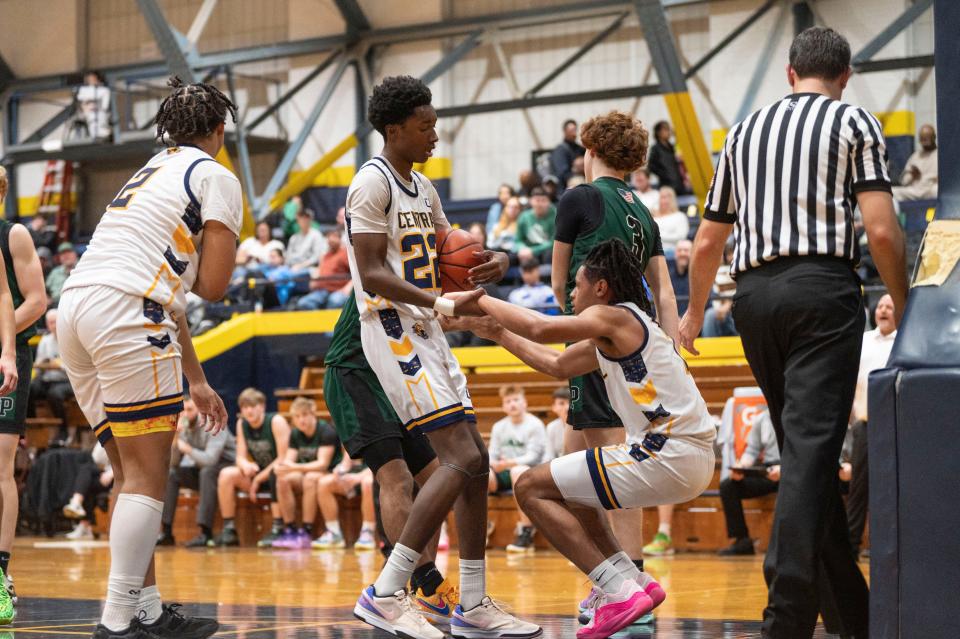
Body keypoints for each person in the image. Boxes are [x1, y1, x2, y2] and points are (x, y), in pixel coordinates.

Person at [679, 28, 908, 639]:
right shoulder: (854, 122)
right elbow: (882, 233)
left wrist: (695, 312)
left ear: (789, 73)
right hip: (820, 292)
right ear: (846, 74)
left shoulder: (743, 132)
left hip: (751, 301)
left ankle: (852, 619)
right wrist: (905, 304)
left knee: (804, 455)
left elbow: (707, 241)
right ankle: (784, 617)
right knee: (809, 454)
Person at [346, 75, 538, 638]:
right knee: (459, 455)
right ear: (394, 128)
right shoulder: (370, 184)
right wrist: (438, 297)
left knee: (475, 461)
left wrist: (492, 260)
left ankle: (473, 604)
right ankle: (386, 591)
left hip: (428, 328)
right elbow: (372, 271)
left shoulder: (423, 189)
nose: (435, 134)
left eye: (435, 123)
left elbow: (452, 249)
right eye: (425, 125)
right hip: (392, 329)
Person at [451, 238, 716, 639]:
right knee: (570, 488)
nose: (572, 294)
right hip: (683, 454)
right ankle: (635, 583)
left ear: (601, 288)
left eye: (577, 286)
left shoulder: (616, 319)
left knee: (529, 488)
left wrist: (480, 300)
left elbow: (541, 328)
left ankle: (614, 590)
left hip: (668, 451)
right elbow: (557, 364)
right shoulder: (623, 330)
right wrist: (497, 333)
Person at [57, 76, 241, 639]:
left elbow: (164, 291)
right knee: (146, 476)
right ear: (218, 130)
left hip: (76, 309)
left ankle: (148, 609)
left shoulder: (149, 170)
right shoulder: (215, 175)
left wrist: (197, 379)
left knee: (127, 471)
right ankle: (116, 621)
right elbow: (210, 286)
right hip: (129, 313)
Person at [551, 110, 679, 626]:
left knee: (612, 472)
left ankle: (631, 585)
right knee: (567, 469)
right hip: (637, 343)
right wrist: (668, 348)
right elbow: (666, 293)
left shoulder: (580, 198)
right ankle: (612, 578)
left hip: (599, 341)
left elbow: (562, 283)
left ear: (590, 151)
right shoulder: (643, 211)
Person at [0, 164, 39, 624]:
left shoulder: (14, 236)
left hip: (9, 359)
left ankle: (2, 570)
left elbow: (34, 300)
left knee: (1, 463)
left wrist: (4, 343)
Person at [847, 293, 897, 556]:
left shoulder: (903, 343)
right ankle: (852, 545)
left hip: (895, 427)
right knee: (858, 488)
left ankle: (885, 546)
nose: (884, 310)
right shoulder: (862, 342)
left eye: (890, 306)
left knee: (890, 489)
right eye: (880, 306)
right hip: (864, 426)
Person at [214, 388, 291, 548]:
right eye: (244, 407)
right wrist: (245, 464)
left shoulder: (276, 421)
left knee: (277, 473)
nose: (248, 410)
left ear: (262, 407)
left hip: (278, 474)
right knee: (226, 474)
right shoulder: (242, 423)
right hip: (258, 475)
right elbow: (240, 456)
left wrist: (258, 478)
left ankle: (278, 527)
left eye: (252, 406)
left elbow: (283, 458)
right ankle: (229, 529)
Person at [158, 396, 236, 549]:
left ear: (200, 410)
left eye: (189, 410)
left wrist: (187, 449)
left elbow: (210, 460)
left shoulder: (214, 423)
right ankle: (166, 532)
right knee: (172, 474)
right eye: (182, 411)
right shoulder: (185, 428)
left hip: (227, 466)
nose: (185, 414)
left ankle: (205, 533)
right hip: (204, 470)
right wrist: (175, 438)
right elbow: (173, 463)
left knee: (207, 472)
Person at [272, 397, 341, 549]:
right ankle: (289, 528)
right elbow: (289, 462)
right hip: (305, 471)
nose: (301, 420)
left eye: (304, 415)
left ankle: (306, 530)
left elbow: (322, 465)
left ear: (312, 414)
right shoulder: (295, 434)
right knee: (282, 479)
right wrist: (283, 468)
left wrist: (292, 466)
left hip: (329, 473)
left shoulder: (326, 431)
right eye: (297, 416)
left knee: (310, 478)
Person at [486, 385, 546, 554]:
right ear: (503, 406)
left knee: (517, 471)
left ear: (524, 403)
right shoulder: (499, 426)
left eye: (516, 400)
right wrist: (493, 464)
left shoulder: (535, 424)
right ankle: (483, 526)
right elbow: (492, 453)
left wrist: (509, 463)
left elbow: (533, 456)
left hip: (529, 472)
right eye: (508, 401)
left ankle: (526, 531)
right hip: (504, 470)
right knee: (481, 474)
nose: (512, 404)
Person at [718, 408, 780, 556]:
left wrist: (785, 468)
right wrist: (742, 467)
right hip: (769, 470)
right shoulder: (763, 418)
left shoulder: (800, 415)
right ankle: (742, 541)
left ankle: (783, 544)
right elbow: (752, 450)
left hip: (794, 468)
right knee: (729, 486)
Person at [313, 451, 377, 550]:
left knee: (368, 483)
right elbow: (346, 461)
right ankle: (334, 533)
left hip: (372, 475)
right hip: (353, 476)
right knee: (324, 483)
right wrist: (340, 471)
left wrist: (358, 477)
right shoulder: (351, 437)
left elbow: (379, 466)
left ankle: (368, 532)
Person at [28, 310, 74, 442]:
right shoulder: (45, 340)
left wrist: (59, 364)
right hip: (47, 377)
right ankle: (33, 423)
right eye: (50, 323)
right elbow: (39, 364)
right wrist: (44, 363)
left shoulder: (70, 339)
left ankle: (63, 431)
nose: (52, 325)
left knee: (55, 394)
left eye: (54, 322)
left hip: (66, 380)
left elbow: (75, 365)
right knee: (30, 388)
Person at [63, 442, 114, 540]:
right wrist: (105, 439)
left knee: (86, 474)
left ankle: (77, 504)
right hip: (106, 476)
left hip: (120, 477)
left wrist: (111, 473)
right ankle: (83, 521)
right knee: (86, 476)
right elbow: (96, 458)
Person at [295, 228, 352, 310]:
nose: (331, 239)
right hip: (322, 290)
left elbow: (355, 274)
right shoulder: (325, 256)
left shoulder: (345, 253)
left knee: (334, 301)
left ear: (340, 239)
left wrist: (348, 288)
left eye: (334, 236)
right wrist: (314, 281)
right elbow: (319, 271)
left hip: (339, 290)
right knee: (304, 303)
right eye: (329, 236)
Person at [892, 124, 938, 201]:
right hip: (915, 190)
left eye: (927, 137)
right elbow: (904, 181)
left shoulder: (940, 155)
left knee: (936, 190)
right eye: (923, 138)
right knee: (892, 191)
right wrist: (912, 175)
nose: (925, 141)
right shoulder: (915, 156)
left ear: (933, 137)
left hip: (930, 190)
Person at [646, 121, 689, 194]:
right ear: (658, 132)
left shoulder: (672, 147)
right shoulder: (655, 148)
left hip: (679, 185)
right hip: (666, 186)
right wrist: (664, 174)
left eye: (669, 129)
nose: (668, 132)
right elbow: (651, 166)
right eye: (666, 129)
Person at [516, 187, 556, 264]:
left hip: (546, 251)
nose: (540, 204)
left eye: (543, 200)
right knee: (510, 257)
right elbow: (518, 240)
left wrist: (533, 251)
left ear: (549, 202)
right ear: (531, 201)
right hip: (527, 250)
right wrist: (522, 248)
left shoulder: (556, 216)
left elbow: (553, 243)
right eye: (537, 200)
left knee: (548, 255)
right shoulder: (524, 216)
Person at [551, 119, 586, 191]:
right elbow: (562, 173)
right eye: (571, 130)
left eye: (575, 130)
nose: (574, 134)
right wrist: (576, 170)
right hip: (566, 188)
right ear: (565, 131)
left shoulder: (580, 149)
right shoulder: (560, 150)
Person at [702, 266, 738, 337]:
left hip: (737, 308)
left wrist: (729, 304)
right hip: (716, 310)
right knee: (710, 315)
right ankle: (708, 346)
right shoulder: (710, 272)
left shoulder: (740, 267)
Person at [75, 71, 112, 140]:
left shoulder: (103, 89)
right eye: (90, 79)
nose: (92, 80)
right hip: (87, 110)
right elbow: (81, 98)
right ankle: (95, 134)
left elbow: (105, 101)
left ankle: (102, 132)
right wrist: (90, 101)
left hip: (100, 110)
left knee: (101, 116)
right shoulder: (83, 89)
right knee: (91, 117)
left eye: (94, 79)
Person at [653, 186, 690, 253]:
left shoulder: (680, 216)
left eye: (666, 197)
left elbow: (681, 236)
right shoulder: (653, 218)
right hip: (655, 253)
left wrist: (658, 235)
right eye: (661, 197)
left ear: (672, 199)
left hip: (674, 252)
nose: (663, 200)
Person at [542, 387, 572, 463]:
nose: (567, 407)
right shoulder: (551, 427)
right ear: (554, 407)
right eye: (561, 403)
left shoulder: (584, 426)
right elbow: (549, 454)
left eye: (570, 403)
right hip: (558, 467)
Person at [669, 239, 691, 316]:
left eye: (686, 250)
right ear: (675, 254)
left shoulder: (699, 275)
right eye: (679, 250)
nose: (682, 253)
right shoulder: (667, 275)